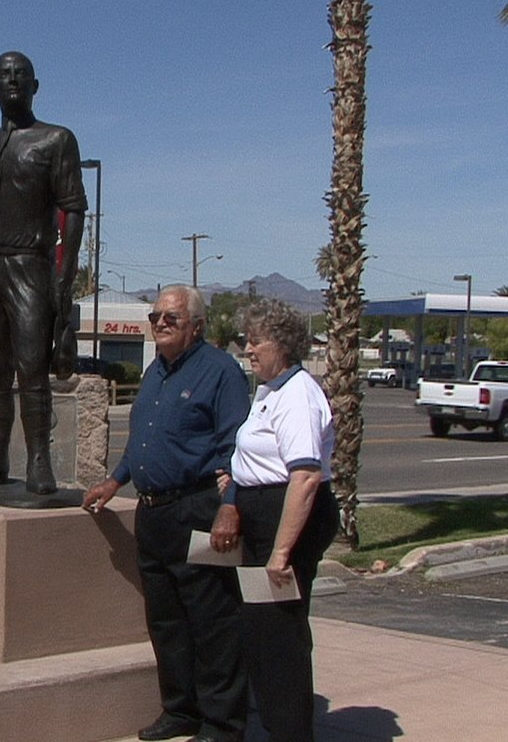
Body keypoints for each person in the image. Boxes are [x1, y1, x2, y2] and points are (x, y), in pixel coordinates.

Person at [82, 284, 249, 742]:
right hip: (152, 513)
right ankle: (181, 710)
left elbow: (236, 448)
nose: (159, 324)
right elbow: (144, 440)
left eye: (170, 318)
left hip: (197, 508)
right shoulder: (157, 371)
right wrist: (116, 480)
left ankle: (222, 724)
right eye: (155, 316)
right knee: (167, 620)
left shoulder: (221, 372)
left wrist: (229, 508)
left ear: (196, 326)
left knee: (211, 622)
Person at [0, 50, 87, 495]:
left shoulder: (56, 140)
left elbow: (73, 210)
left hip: (30, 265)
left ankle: (38, 461)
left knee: (31, 367)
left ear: (35, 85)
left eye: (21, 74)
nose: (12, 80)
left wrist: (63, 280)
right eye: (3, 75)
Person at [221, 298, 339, 741]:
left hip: (285, 520)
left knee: (279, 638)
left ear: (283, 345)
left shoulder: (298, 394)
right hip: (261, 513)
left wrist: (281, 554)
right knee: (262, 633)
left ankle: (290, 732)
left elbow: (306, 477)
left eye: (255, 341)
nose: (247, 350)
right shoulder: (269, 389)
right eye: (245, 341)